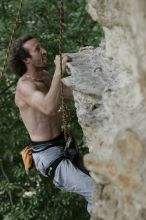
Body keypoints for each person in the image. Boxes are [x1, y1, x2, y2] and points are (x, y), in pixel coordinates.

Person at [10, 34, 93, 214]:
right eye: (38, 49)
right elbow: (48, 107)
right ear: (26, 59)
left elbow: (70, 94)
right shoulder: (24, 87)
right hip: (49, 156)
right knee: (95, 192)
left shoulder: (46, 77)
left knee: (102, 182)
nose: (45, 51)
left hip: (64, 145)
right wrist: (58, 71)